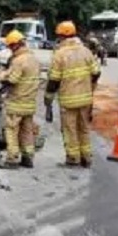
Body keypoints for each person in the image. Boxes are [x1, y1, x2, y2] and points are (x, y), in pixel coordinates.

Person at [44, 20, 102, 168]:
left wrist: (48, 99)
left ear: (61, 37)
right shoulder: (86, 51)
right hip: (85, 99)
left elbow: (54, 80)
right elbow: (96, 73)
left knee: (70, 130)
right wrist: (88, 88)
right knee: (83, 128)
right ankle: (86, 158)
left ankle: (73, 158)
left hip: (68, 100)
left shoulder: (60, 54)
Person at [0, 29, 41, 168]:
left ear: (15, 45)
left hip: (17, 103)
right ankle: (28, 157)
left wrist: (2, 76)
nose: (10, 49)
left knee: (11, 130)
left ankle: (12, 159)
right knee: (27, 131)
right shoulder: (34, 59)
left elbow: (13, 80)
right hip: (30, 103)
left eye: (10, 46)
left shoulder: (18, 60)